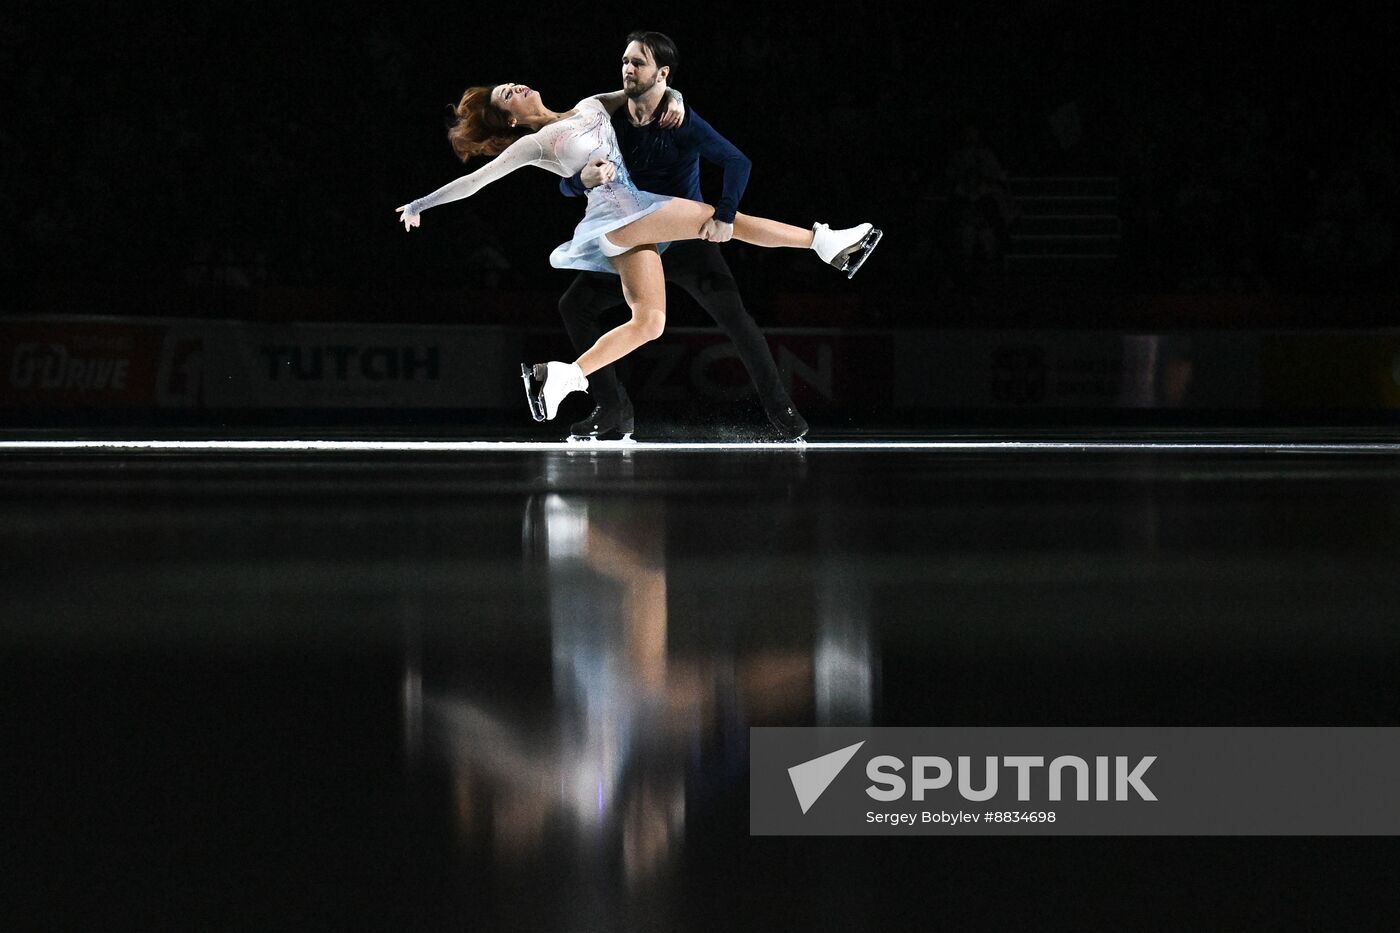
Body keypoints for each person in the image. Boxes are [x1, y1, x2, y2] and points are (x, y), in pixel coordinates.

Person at [397, 76, 881, 430]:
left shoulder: (588, 103)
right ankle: (826, 243)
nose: (517, 88)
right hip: (618, 215)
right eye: (508, 96)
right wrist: (420, 203)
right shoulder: (537, 143)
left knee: (649, 322)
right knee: (715, 217)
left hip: (633, 213)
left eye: (512, 84)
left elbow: (641, 91)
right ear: (510, 119)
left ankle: (562, 377)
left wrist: (676, 96)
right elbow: (475, 182)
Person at [557, 32, 808, 441]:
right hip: (636, 246)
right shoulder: (605, 120)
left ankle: (782, 413)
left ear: (662, 73)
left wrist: (725, 214)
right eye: (625, 60)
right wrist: (578, 181)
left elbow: (737, 162)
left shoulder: (680, 118)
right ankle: (611, 409)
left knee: (737, 320)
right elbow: (564, 177)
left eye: (638, 62)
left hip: (687, 243)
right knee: (575, 306)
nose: (627, 68)